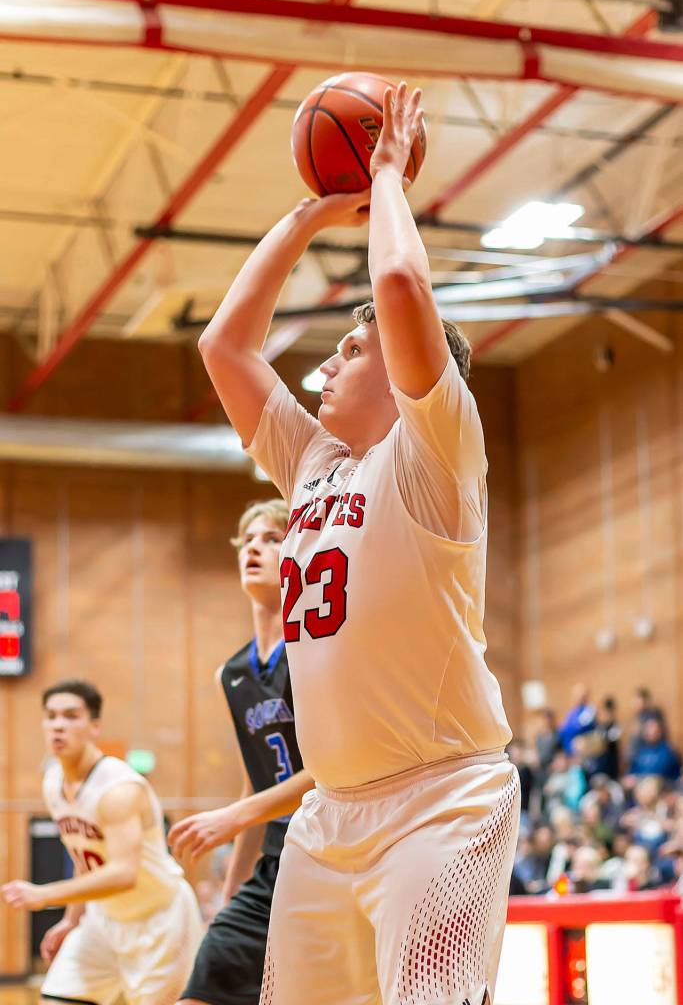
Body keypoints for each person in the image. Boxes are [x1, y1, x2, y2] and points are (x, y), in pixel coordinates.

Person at [198, 81, 519, 1005]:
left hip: (440, 800)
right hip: (329, 811)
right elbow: (227, 347)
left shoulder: (436, 451)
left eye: (348, 348)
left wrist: (385, 178)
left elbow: (399, 283)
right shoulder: (313, 463)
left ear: (411, 368)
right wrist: (308, 211)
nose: (326, 363)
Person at [168, 499, 314, 1005]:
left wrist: (231, 817)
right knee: (201, 990)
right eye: (248, 540)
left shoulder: (317, 647)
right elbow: (255, 783)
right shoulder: (230, 673)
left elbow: (335, 770)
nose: (255, 546)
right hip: (276, 859)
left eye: (272, 538)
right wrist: (230, 894)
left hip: (336, 854)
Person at [1, 680, 203, 1005]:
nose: (58, 726)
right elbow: (85, 860)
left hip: (160, 919)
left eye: (70, 716)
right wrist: (70, 919)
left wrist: (44, 894)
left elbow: (124, 874)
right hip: (104, 920)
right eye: (51, 716)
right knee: (57, 999)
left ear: (94, 726)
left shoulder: (119, 789)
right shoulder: (53, 783)